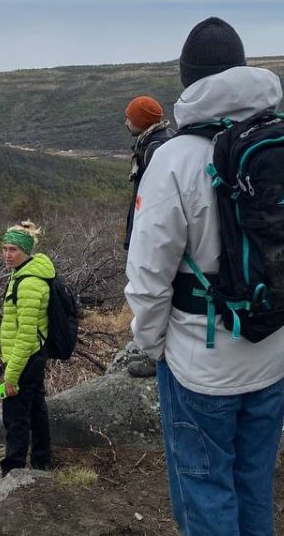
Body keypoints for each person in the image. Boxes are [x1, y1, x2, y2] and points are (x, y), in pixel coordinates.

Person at [125, 17, 284, 535]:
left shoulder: (175, 159)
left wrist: (156, 346)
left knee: (205, 495)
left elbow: (147, 276)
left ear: (189, 80)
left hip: (199, 364)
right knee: (253, 487)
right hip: (272, 351)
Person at [123, 95, 175, 379]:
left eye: (130, 116)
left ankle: (152, 352)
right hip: (152, 229)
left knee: (148, 285)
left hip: (153, 233)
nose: (126, 121)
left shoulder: (154, 147)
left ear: (141, 121)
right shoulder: (162, 139)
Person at [0, 220, 53, 476]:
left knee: (16, 416)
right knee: (35, 408)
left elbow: (26, 334)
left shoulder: (30, 282)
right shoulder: (22, 274)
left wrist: (11, 373)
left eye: (13, 250)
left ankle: (13, 469)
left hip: (25, 358)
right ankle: (41, 461)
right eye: (4, 248)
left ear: (26, 251)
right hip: (32, 356)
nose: (7, 255)